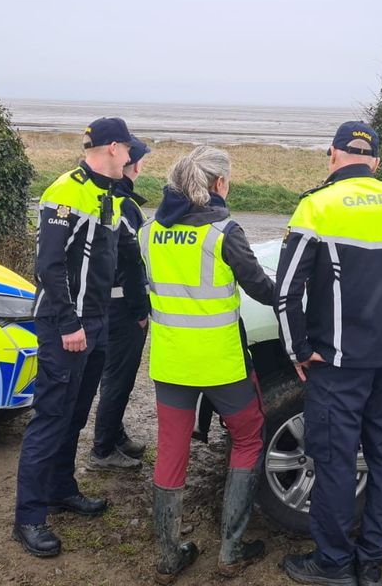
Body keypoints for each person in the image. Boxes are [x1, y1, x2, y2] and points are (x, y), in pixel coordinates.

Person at [274, 122, 382, 586]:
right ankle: (371, 564)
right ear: (375, 161)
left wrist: (298, 349)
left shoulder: (316, 206)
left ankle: (334, 564)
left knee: (335, 461)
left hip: (338, 363)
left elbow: (285, 293)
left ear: (333, 155)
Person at [13, 117, 148, 557]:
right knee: (50, 417)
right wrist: (69, 324)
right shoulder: (65, 192)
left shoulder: (107, 193)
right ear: (112, 148)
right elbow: (49, 265)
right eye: (128, 150)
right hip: (63, 324)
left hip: (98, 322)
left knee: (74, 415)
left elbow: (116, 258)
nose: (131, 158)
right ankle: (29, 517)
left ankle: (60, 489)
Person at [139, 146, 275, 583]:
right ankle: (231, 552)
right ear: (218, 184)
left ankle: (167, 557)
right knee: (249, 439)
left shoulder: (147, 232)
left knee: (172, 451)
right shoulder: (224, 232)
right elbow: (259, 287)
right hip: (221, 363)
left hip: (171, 362)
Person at [88, 139, 152, 471]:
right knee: (118, 378)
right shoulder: (124, 204)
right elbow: (131, 263)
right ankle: (102, 450)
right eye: (137, 159)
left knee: (115, 376)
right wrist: (140, 311)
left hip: (110, 304)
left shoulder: (111, 197)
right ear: (133, 165)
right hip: (122, 307)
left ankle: (115, 435)